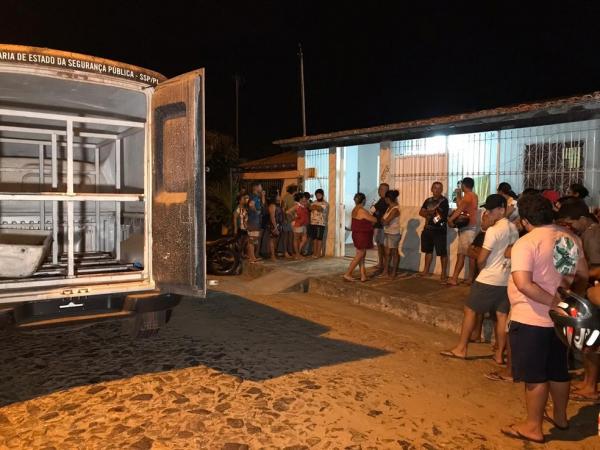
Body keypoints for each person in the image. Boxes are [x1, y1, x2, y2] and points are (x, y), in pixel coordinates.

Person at [501, 193, 588, 444]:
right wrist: (568, 301)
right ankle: (560, 417)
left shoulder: (527, 243)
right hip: (561, 321)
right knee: (559, 371)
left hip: (532, 319)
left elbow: (524, 284)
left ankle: (532, 427)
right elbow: (582, 274)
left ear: (526, 220)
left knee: (535, 376)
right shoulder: (569, 237)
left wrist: (554, 303)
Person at [441, 194, 518, 364]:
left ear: (502, 210)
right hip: (506, 278)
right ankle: (499, 354)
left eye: (491, 210)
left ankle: (461, 348)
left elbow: (481, 258)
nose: (488, 213)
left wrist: (482, 267)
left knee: (470, 311)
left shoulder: (493, 230)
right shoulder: (513, 228)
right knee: (501, 315)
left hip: (489, 278)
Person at [555, 200, 600, 403]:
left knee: (591, 344)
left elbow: (597, 267)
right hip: (591, 291)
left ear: (582, 218)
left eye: (571, 222)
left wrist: (579, 278)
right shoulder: (590, 231)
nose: (570, 226)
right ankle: (587, 382)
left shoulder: (591, 233)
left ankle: (590, 386)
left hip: (593, 293)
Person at [447, 177, 479, 286]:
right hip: (468, 228)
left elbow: (460, 209)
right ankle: (467, 278)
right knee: (467, 254)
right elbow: (461, 205)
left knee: (465, 254)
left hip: (468, 229)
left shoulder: (469, 196)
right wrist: (459, 194)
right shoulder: (471, 196)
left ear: (463, 185)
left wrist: (450, 219)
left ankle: (456, 279)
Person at [418, 181, 449, 281]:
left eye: (440, 188)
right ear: (431, 189)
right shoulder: (428, 200)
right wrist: (430, 214)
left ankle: (443, 273)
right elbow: (421, 212)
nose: (437, 190)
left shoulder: (444, 201)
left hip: (439, 231)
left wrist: (430, 216)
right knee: (428, 251)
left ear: (442, 190)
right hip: (427, 230)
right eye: (435, 187)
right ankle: (426, 271)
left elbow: (441, 218)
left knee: (442, 253)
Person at [344, 193, 377, 282]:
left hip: (357, 234)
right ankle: (348, 273)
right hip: (361, 235)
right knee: (360, 255)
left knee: (361, 255)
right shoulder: (362, 210)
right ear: (363, 200)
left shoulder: (355, 209)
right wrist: (372, 212)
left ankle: (363, 275)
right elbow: (374, 220)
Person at [380, 189, 401, 278]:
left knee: (394, 252)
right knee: (387, 253)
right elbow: (383, 220)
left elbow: (384, 222)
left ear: (388, 199)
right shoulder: (390, 208)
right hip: (387, 232)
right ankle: (385, 271)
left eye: (386, 198)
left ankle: (393, 272)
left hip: (393, 234)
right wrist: (383, 220)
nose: (385, 200)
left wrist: (383, 220)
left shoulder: (395, 209)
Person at [370, 183, 390, 273]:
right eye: (380, 189)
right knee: (379, 246)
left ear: (387, 191)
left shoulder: (386, 201)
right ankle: (381, 263)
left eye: (382, 189)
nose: (380, 191)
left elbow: (381, 213)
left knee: (383, 246)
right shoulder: (380, 200)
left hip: (382, 227)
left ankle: (385, 265)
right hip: (378, 226)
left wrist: (375, 211)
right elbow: (375, 211)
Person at [287, 192, 309, 259]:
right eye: (303, 198)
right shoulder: (297, 205)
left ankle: (297, 253)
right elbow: (288, 212)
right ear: (300, 198)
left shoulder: (302, 204)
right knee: (296, 239)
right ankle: (297, 254)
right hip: (298, 224)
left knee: (304, 239)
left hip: (303, 224)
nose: (304, 199)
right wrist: (294, 217)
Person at [309, 189, 328, 258]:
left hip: (321, 223)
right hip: (313, 223)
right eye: (316, 195)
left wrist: (315, 207)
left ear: (322, 195)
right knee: (314, 239)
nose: (318, 196)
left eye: (319, 195)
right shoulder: (314, 202)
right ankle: (314, 253)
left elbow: (321, 209)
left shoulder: (325, 203)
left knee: (319, 238)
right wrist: (316, 207)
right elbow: (310, 208)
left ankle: (318, 254)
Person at [267, 192, 285, 261]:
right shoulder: (272, 205)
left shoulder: (278, 205)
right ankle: (272, 255)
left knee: (275, 240)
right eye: (278, 196)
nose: (279, 197)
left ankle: (273, 254)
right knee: (272, 240)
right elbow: (272, 217)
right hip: (274, 225)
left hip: (278, 224)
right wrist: (275, 227)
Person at [281, 185, 297, 258]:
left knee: (290, 236)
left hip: (291, 219)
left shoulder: (290, 197)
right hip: (287, 219)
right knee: (286, 236)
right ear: (294, 190)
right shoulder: (287, 197)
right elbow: (283, 209)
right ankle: (286, 252)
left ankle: (290, 251)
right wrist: (284, 218)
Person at [246, 199, 262, 263]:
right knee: (251, 243)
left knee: (253, 243)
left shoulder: (254, 209)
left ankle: (253, 257)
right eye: (251, 202)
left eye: (253, 202)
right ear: (249, 204)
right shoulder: (249, 210)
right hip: (251, 227)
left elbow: (258, 212)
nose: (253, 203)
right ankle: (251, 258)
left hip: (255, 227)